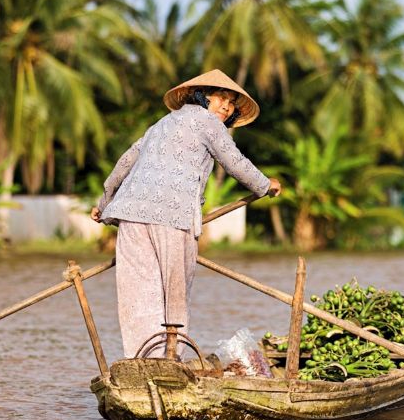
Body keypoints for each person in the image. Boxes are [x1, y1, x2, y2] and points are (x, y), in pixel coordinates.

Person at [91, 69, 282, 358]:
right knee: (174, 289)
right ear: (203, 97)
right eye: (221, 98)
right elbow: (235, 162)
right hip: (173, 215)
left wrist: (105, 204)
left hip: (131, 215)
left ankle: (142, 359)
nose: (227, 106)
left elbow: (125, 161)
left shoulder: (161, 124)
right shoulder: (209, 124)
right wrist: (266, 185)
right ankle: (169, 358)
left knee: (139, 291)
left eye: (231, 103)